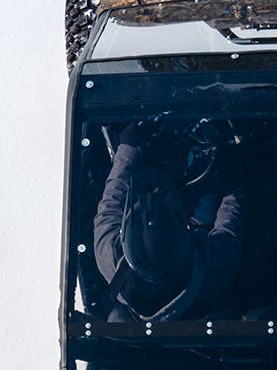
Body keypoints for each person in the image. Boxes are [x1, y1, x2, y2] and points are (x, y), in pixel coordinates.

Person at [93, 120, 244, 321]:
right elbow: (230, 220)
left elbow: (111, 204)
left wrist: (128, 149)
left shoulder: (110, 256)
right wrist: (235, 176)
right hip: (198, 220)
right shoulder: (213, 270)